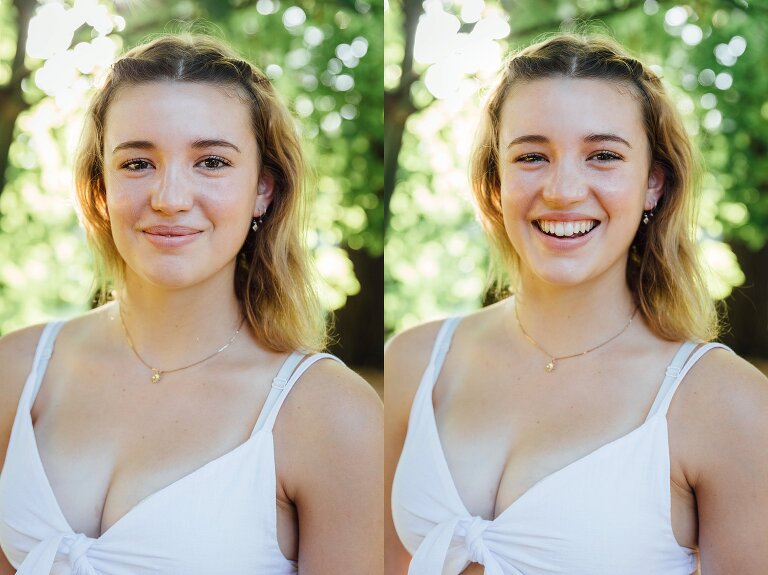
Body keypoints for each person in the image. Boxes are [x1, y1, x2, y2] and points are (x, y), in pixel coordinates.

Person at [385, 34, 768, 575]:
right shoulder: (415, 361)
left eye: (604, 156)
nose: (563, 189)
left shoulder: (726, 402)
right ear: (496, 182)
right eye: (532, 156)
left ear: (653, 184)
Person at [0, 34, 383, 574]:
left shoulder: (329, 414)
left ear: (263, 190)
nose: (171, 198)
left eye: (211, 162)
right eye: (137, 164)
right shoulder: (17, 373)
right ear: (99, 190)